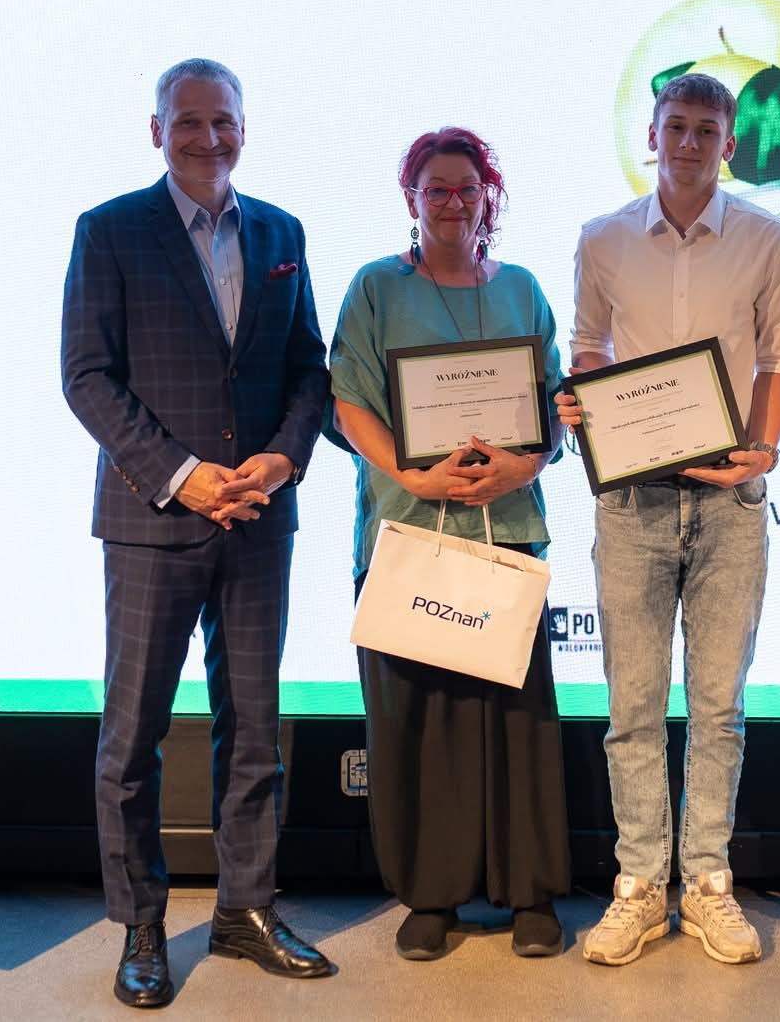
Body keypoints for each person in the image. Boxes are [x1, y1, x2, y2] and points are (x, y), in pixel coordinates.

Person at [61, 57, 335, 1008]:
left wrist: (282, 458)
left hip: (259, 519)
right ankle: (141, 924)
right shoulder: (108, 230)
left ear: (244, 130)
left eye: (223, 121)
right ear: (157, 131)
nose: (207, 137)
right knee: (132, 736)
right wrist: (184, 476)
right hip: (152, 522)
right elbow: (86, 377)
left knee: (254, 729)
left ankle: (245, 909)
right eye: (188, 121)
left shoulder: (282, 232)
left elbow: (310, 369)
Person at [559, 72, 780, 968]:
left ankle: (706, 884)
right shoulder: (604, 238)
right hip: (632, 502)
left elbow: (777, 359)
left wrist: (762, 450)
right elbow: (588, 350)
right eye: (677, 127)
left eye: (707, 129)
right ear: (652, 135)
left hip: (730, 502)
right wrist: (583, 408)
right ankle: (636, 888)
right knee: (631, 708)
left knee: (718, 709)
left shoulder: (771, 240)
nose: (690, 142)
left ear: (729, 144)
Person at [327, 127, 570, 962]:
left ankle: (530, 894)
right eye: (437, 188)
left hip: (508, 529)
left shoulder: (523, 289)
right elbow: (349, 403)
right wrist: (415, 476)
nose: (454, 202)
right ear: (412, 197)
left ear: (489, 195)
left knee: (517, 719)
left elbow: (555, 406)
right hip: (408, 529)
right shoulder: (376, 288)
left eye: (468, 187)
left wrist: (527, 464)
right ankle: (430, 898)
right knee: (416, 723)